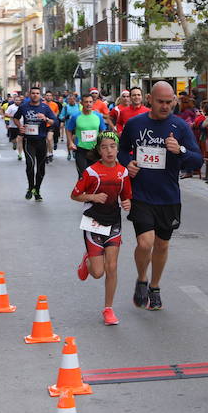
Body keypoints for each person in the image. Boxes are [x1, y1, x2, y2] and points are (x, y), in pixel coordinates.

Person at [118, 81, 203, 311]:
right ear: (149, 100)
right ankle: (142, 278)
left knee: (162, 246)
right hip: (141, 194)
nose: (165, 106)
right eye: (160, 102)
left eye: (169, 102)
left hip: (168, 197)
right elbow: (122, 150)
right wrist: (128, 164)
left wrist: (180, 150)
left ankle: (154, 287)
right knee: (145, 243)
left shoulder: (180, 127)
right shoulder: (135, 124)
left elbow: (198, 160)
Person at [71, 131, 132, 325]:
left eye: (112, 146)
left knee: (112, 267)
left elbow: (126, 195)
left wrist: (127, 203)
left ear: (117, 149)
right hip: (93, 221)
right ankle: (88, 260)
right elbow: (75, 195)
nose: (109, 151)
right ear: (98, 150)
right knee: (98, 273)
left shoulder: (123, 172)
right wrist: (92, 197)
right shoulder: (91, 172)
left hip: (114, 222)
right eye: (104, 147)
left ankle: (108, 309)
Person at [13, 87, 58, 201]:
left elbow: (55, 121)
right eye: (33, 93)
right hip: (28, 141)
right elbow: (15, 118)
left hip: (41, 141)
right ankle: (30, 187)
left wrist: (46, 119)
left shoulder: (45, 107)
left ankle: (37, 190)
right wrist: (20, 127)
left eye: (37, 93)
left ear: (40, 95)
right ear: (29, 94)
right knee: (30, 164)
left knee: (41, 168)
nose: (35, 95)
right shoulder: (24, 107)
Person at [66, 94, 108, 179]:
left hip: (94, 150)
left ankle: (92, 192)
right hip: (81, 150)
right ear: (81, 103)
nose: (88, 104)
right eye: (86, 102)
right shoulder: (76, 116)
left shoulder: (98, 116)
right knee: (83, 176)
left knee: (95, 176)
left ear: (93, 103)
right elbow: (68, 129)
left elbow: (103, 130)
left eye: (90, 102)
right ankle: (82, 192)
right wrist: (70, 142)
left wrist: (101, 143)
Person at [58, 93, 81, 161]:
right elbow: (61, 116)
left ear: (75, 100)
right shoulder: (66, 107)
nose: (72, 100)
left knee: (74, 138)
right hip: (68, 126)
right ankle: (69, 153)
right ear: (68, 100)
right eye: (70, 99)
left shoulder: (78, 106)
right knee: (68, 141)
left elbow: (82, 113)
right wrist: (66, 117)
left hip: (77, 126)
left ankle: (74, 151)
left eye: (73, 99)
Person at [44, 91, 61, 162]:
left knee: (49, 138)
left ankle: (50, 153)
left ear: (52, 97)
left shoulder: (55, 105)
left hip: (51, 124)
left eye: (50, 95)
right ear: (45, 96)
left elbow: (56, 114)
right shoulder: (42, 104)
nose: (48, 97)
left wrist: (53, 118)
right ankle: (47, 153)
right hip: (43, 124)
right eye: (47, 95)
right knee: (45, 141)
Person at [4, 94, 23, 160]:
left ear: (21, 101)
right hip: (12, 125)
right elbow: (6, 114)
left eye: (19, 100)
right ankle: (14, 144)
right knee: (13, 139)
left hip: (21, 125)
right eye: (16, 100)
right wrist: (13, 117)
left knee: (19, 139)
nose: (18, 101)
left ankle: (20, 154)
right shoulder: (11, 107)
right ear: (14, 101)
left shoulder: (23, 107)